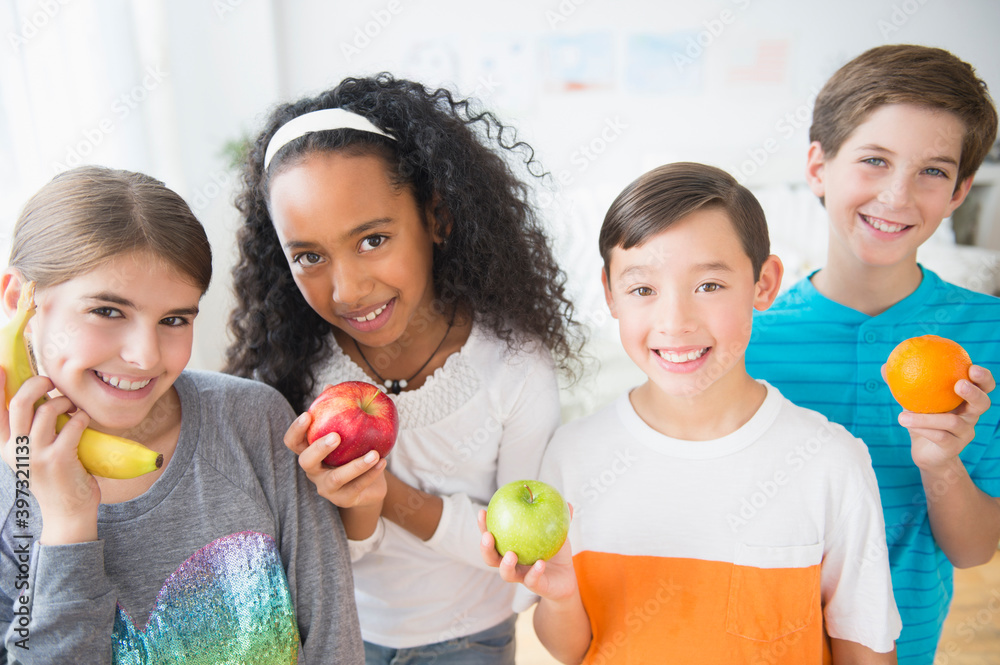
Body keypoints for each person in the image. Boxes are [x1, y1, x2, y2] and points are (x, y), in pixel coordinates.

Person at [480, 162, 902, 664]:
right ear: (611, 294)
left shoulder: (831, 464)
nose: (675, 322)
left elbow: (865, 650)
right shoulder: (573, 456)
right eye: (643, 290)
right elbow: (572, 650)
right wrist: (562, 594)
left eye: (709, 286)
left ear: (764, 284)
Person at [224, 74, 581, 663]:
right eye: (309, 256)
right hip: (336, 633)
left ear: (436, 217)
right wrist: (352, 505)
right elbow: (322, 557)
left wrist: (386, 494)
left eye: (372, 240)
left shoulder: (514, 366)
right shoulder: (292, 372)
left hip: (472, 639)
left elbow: (516, 547)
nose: (348, 289)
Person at [0, 166, 363, 663]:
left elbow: (332, 639)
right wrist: (65, 528)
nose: (146, 356)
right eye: (107, 311)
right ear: (21, 300)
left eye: (173, 320)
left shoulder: (252, 420)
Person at [744, 44, 1000, 665]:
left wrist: (941, 462)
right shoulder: (750, 339)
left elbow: (973, 550)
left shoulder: (987, 334)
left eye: (933, 171)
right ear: (818, 167)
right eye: (874, 160)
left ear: (961, 189)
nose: (897, 196)